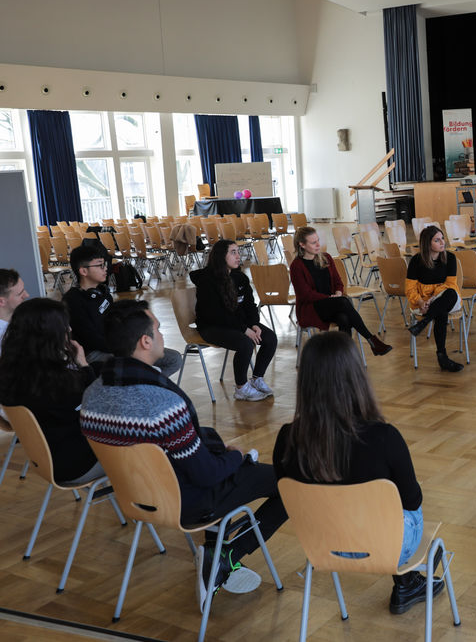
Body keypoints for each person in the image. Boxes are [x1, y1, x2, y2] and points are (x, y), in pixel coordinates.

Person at [79, 300, 287, 610]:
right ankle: (227, 557)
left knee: (214, 455)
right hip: (186, 502)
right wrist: (236, 456)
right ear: (144, 341)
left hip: (134, 497)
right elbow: (206, 474)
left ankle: (217, 552)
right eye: (158, 330)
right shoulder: (163, 403)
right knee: (291, 482)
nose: (162, 335)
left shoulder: (92, 394)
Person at [272, 331, 444, 614]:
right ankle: (409, 576)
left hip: (323, 544)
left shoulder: (286, 439)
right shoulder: (384, 437)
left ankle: (409, 580)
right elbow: (412, 500)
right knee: (406, 504)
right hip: (389, 547)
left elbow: (289, 499)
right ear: (355, 376)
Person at [0, 298, 104, 484]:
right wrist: (84, 365)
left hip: (47, 459)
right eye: (65, 326)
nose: (70, 330)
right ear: (50, 335)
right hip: (75, 464)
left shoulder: (10, 372)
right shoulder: (58, 381)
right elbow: (100, 403)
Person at [63, 245, 183, 376]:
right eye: (99, 266)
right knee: (136, 363)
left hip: (117, 347)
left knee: (174, 358)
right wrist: (125, 349)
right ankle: (143, 383)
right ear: (83, 271)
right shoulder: (72, 301)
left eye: (105, 264)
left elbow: (117, 325)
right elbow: (91, 339)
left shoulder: (103, 293)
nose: (105, 269)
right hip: (93, 353)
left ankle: (147, 383)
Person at [190, 240, 277, 401]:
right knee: (245, 343)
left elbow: (250, 305)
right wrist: (244, 329)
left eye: (238, 252)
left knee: (270, 338)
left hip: (238, 323)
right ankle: (241, 387)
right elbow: (216, 314)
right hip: (212, 326)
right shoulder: (207, 280)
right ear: (221, 256)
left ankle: (257, 378)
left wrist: (254, 324)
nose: (239, 256)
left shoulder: (239, 277)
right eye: (233, 252)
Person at [288, 226, 391, 355]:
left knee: (344, 318)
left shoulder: (326, 257)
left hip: (333, 304)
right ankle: (371, 340)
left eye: (318, 240)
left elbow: (338, 282)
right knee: (343, 302)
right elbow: (305, 295)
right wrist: (329, 298)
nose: (318, 244)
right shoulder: (296, 266)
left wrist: (338, 292)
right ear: (302, 244)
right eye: (313, 242)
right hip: (312, 308)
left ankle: (344, 356)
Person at [405, 225, 463, 372]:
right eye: (437, 240)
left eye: (442, 238)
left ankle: (424, 322)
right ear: (427, 244)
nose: (442, 242)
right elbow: (410, 289)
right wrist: (421, 302)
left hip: (446, 298)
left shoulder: (450, 258)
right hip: (423, 303)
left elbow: (450, 285)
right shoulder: (416, 261)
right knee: (441, 313)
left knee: (449, 293)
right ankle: (442, 356)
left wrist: (432, 300)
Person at [0, 268, 29, 353]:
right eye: (20, 294)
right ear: (1, 301)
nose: (27, 295)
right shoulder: (4, 339)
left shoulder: (21, 317)